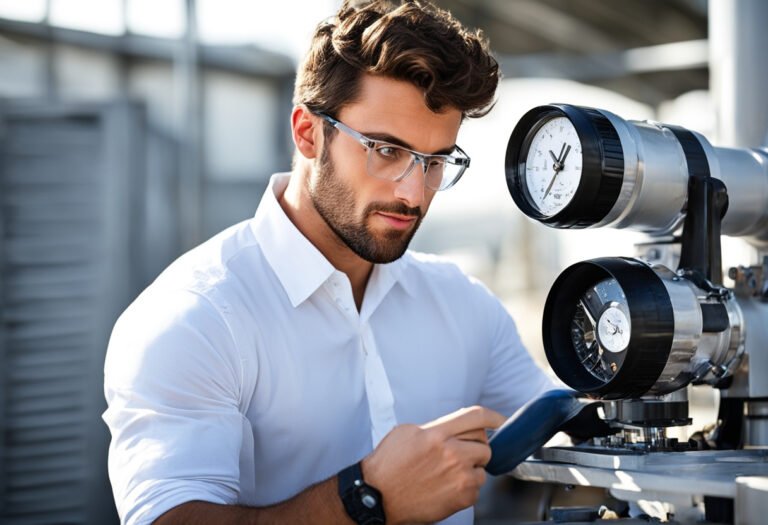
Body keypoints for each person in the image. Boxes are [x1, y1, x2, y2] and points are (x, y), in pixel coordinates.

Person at [102, 1, 554, 524]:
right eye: (386, 150)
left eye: (435, 162)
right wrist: (366, 498)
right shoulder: (197, 317)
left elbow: (567, 433)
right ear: (307, 133)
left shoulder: (461, 302)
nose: (413, 193)